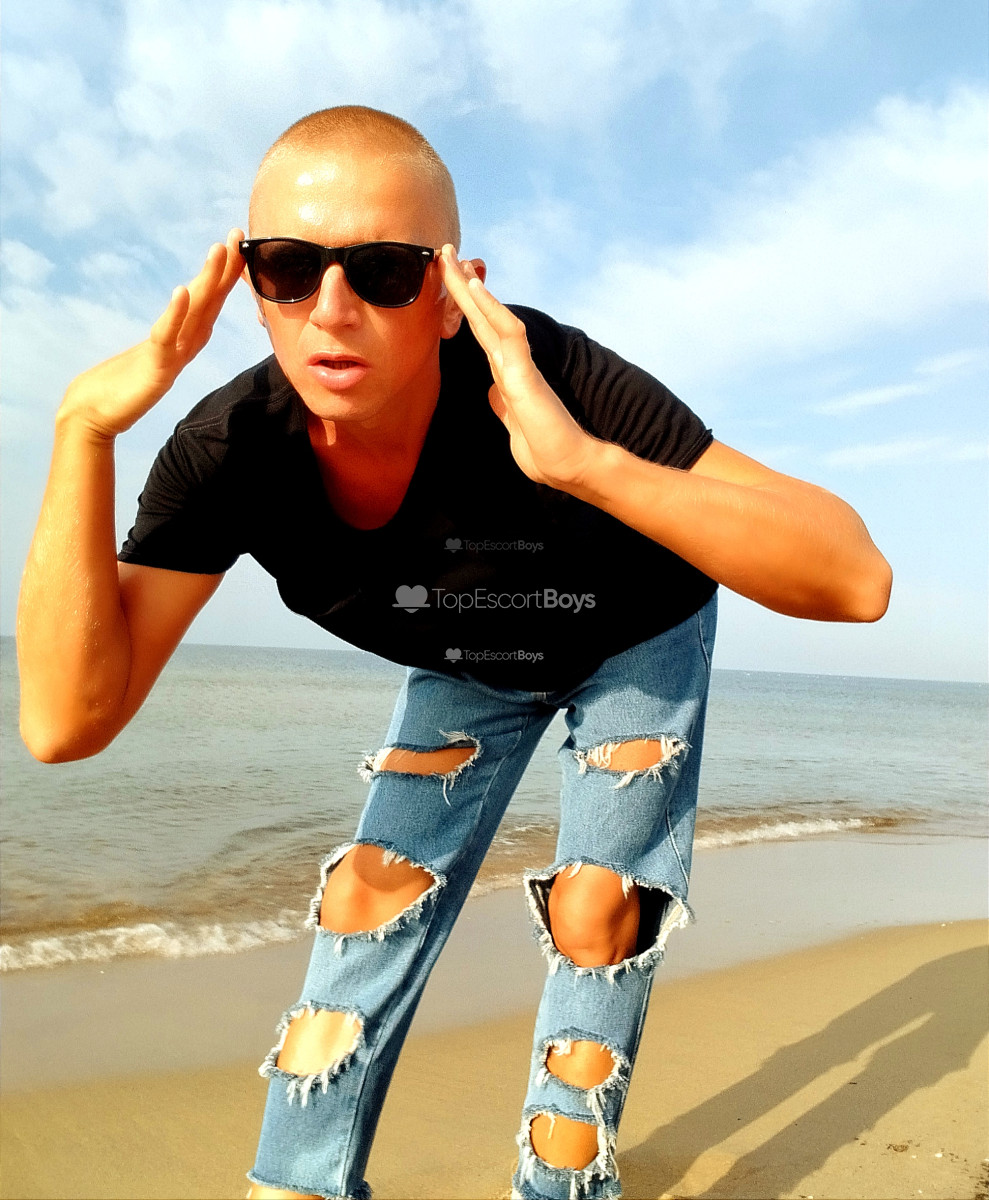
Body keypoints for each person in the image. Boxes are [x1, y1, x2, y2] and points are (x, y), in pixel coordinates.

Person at [16, 106, 891, 1200]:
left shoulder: (545, 371)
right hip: (475, 655)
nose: (331, 308)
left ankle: (561, 1188)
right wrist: (83, 429)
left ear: (446, 293)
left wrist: (586, 466)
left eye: (383, 271)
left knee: (593, 909)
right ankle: (293, 1186)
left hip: (635, 627)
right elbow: (64, 720)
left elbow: (855, 579)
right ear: (251, 286)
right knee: (368, 892)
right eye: (289, 267)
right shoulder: (230, 452)